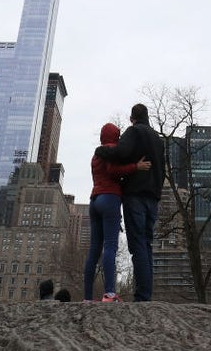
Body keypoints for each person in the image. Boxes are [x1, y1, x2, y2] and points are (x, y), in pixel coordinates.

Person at [94, 103, 164, 302]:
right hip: (153, 197)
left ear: (132, 118)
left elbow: (120, 152)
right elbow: (163, 169)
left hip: (135, 195)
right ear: (147, 117)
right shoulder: (158, 140)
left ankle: (142, 296)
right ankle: (146, 294)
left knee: (138, 246)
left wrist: (101, 151)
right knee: (147, 244)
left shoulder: (134, 131)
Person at [83, 122, 151, 302]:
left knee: (93, 250)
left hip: (94, 200)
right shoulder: (112, 149)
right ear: (115, 135)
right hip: (109, 198)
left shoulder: (96, 154)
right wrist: (135, 167)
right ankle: (110, 293)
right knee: (110, 247)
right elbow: (113, 171)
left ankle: (87, 298)